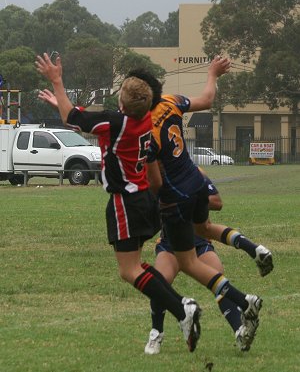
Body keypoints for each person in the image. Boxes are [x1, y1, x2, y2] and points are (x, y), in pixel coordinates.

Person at [35, 52, 202, 353]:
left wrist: (58, 82)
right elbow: (87, 122)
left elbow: (73, 118)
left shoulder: (116, 122)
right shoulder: (142, 120)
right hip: (143, 199)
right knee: (138, 266)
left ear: (121, 104)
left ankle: (182, 308)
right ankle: (182, 308)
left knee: (129, 271)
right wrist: (64, 104)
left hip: (125, 202)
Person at [126, 58, 265, 353]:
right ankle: (160, 331)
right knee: (203, 232)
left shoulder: (145, 132)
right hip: (197, 183)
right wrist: (212, 73)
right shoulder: (171, 101)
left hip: (176, 199)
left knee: (187, 265)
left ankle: (244, 301)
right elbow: (207, 99)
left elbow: (155, 184)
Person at [144, 175, 252, 354]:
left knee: (220, 281)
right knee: (159, 284)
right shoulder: (157, 179)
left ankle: (239, 330)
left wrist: (190, 199)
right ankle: (156, 334)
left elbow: (217, 202)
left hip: (198, 243)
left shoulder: (193, 173)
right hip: (170, 245)